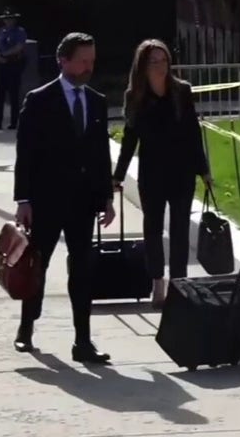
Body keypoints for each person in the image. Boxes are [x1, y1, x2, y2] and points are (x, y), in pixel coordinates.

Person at [13, 32, 116, 364]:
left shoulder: (96, 102)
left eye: (92, 60)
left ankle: (82, 341)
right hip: (46, 200)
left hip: (83, 203)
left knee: (82, 269)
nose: (89, 67)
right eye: (83, 60)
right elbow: (25, 153)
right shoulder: (40, 100)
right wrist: (23, 200)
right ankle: (26, 327)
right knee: (37, 266)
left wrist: (106, 198)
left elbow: (101, 154)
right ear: (64, 60)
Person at [113, 39, 211, 308]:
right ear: (142, 66)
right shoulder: (135, 96)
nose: (160, 66)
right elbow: (130, 140)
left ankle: (179, 284)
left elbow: (193, 133)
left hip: (182, 171)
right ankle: (158, 283)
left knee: (180, 229)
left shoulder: (181, 91)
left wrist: (203, 170)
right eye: (154, 62)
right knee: (153, 228)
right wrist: (118, 176)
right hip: (152, 173)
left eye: (164, 60)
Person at [0, 7, 28, 130]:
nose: (8, 21)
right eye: (6, 19)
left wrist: (5, 55)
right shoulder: (1, 31)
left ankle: (15, 122)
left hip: (14, 64)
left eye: (10, 19)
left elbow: (19, 46)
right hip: (1, 65)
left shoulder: (19, 31)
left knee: (14, 94)